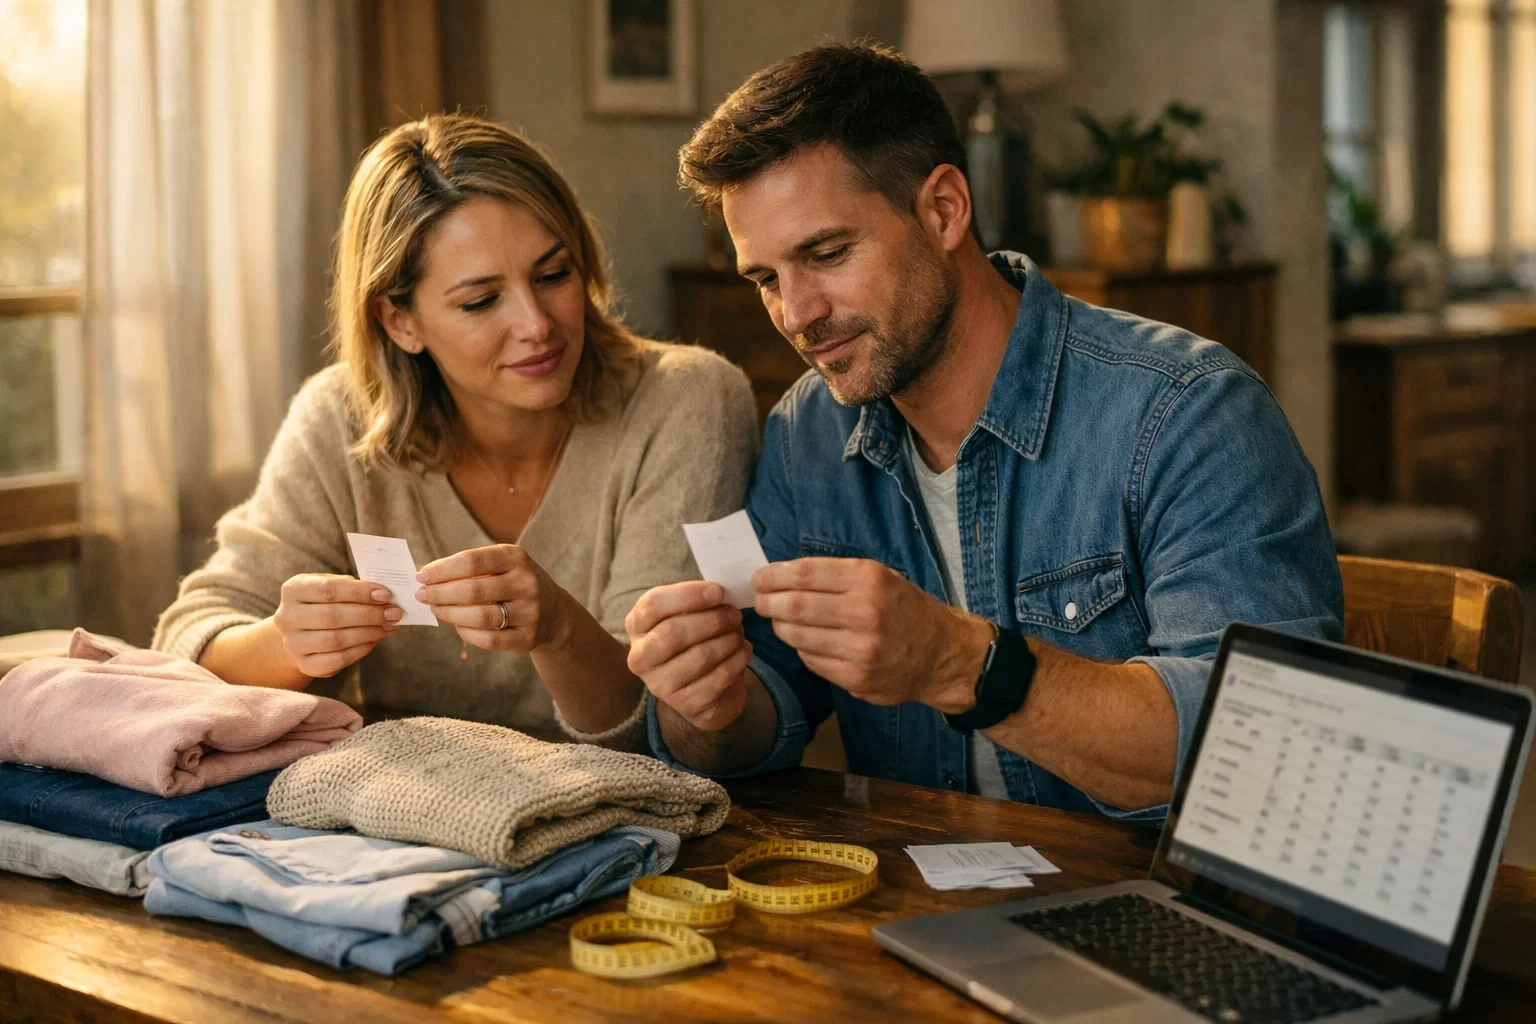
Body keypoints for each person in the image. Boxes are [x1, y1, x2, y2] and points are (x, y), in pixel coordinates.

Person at [623, 44, 1342, 818]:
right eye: (766, 279)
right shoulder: (808, 433)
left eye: (826, 254)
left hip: (1159, 910)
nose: (796, 315)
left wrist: (955, 662)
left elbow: (1263, 751)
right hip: (914, 911)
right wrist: (702, 707)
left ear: (943, 210)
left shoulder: (1188, 412)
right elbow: (764, 714)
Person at [154, 113, 758, 748]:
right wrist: (286, 642)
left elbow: (668, 730)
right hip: (395, 820)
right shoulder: (338, 417)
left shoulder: (687, 403)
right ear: (399, 321)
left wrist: (556, 629)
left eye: (553, 275)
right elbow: (187, 645)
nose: (537, 325)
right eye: (480, 301)